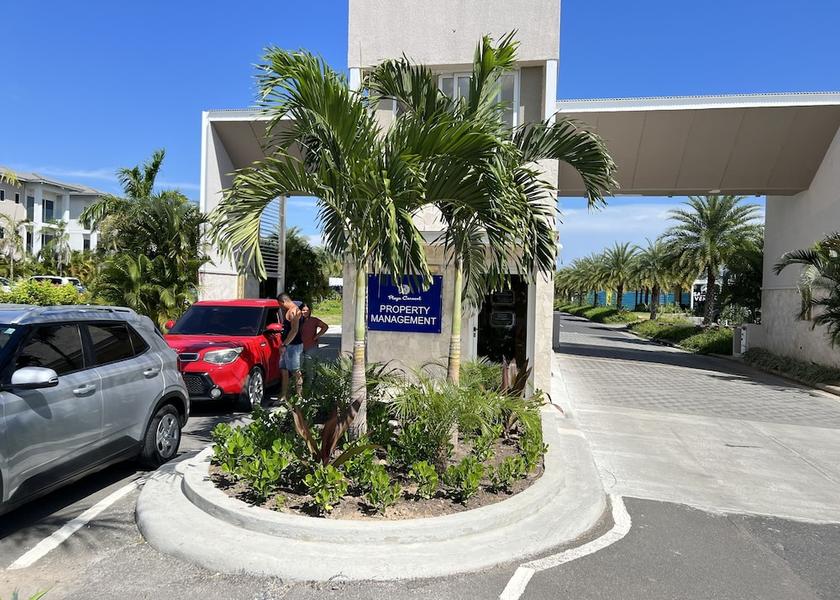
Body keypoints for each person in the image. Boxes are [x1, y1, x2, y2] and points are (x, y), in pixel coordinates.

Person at [277, 292, 303, 402]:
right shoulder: (289, 310)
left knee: (296, 372)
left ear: (284, 301)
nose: (280, 307)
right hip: (287, 346)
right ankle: (284, 396)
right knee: (284, 370)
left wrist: (284, 344)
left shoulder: (294, 311)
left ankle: (299, 397)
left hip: (293, 346)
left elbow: (294, 330)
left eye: (280, 304)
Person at [300, 302, 329, 388]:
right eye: (303, 310)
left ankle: (310, 386)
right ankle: (300, 386)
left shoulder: (314, 320)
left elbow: (325, 326)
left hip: (311, 347)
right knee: (299, 367)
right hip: (299, 347)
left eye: (307, 310)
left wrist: (317, 336)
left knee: (309, 367)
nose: (305, 312)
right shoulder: (297, 321)